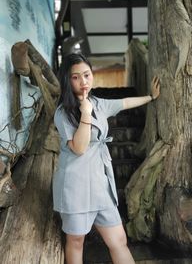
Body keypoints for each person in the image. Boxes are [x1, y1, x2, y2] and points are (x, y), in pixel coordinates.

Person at [53, 53, 160, 264]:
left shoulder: (98, 103)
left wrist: (150, 97)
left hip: (101, 185)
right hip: (76, 187)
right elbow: (79, 148)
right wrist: (85, 114)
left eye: (86, 74)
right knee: (76, 242)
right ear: (67, 80)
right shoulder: (63, 113)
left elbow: (124, 102)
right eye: (76, 77)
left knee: (119, 239)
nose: (83, 81)